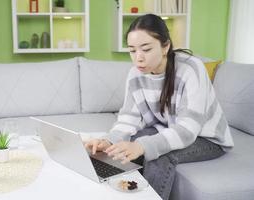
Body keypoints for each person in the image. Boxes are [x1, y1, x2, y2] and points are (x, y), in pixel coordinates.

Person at [85, 14, 234, 200]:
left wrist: (143, 146)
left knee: (158, 154)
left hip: (207, 138)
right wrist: (109, 142)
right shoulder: (135, 75)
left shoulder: (191, 69)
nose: (138, 58)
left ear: (166, 46)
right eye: (132, 50)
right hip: (169, 130)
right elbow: (128, 119)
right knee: (125, 145)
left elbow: (188, 130)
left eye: (146, 49)